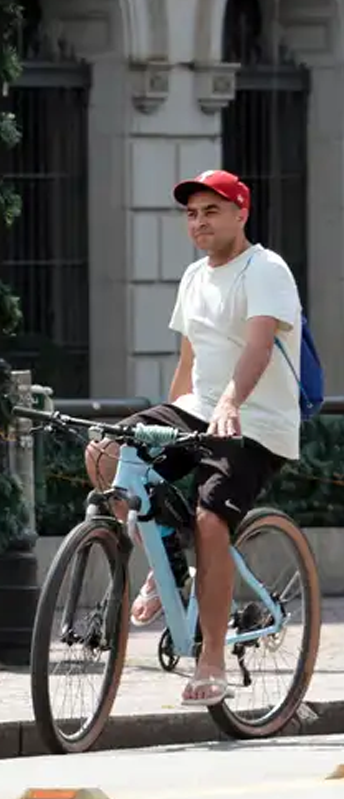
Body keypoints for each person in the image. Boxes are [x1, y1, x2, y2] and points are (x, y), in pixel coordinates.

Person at [84, 170, 303, 707]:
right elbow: (189, 360)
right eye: (191, 213)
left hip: (257, 423)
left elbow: (256, 347)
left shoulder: (265, 269)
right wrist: (162, 422)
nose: (200, 222)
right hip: (199, 411)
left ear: (240, 213)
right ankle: (165, 563)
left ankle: (211, 661)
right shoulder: (192, 277)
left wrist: (230, 403)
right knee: (108, 451)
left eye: (212, 210)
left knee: (210, 519)